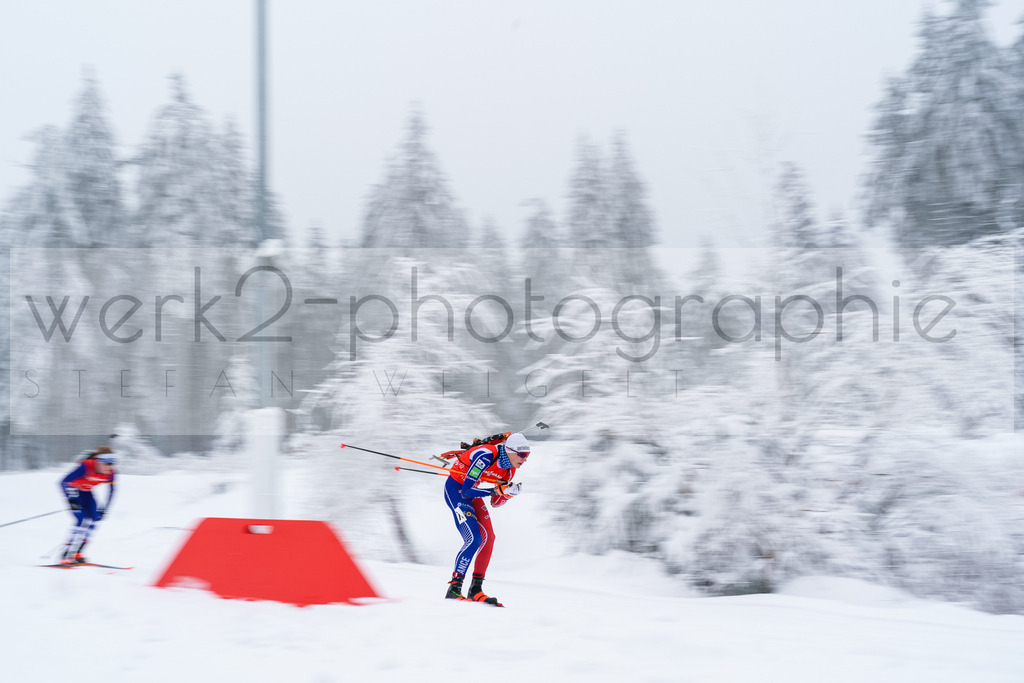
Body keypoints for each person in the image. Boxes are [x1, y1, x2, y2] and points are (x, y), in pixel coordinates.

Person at [443, 432, 531, 606]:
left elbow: (495, 502)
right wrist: (498, 490)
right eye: (522, 454)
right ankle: (454, 588)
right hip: (456, 492)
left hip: (473, 495)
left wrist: (508, 494)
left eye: (527, 455)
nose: (525, 459)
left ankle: (475, 589)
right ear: (510, 451)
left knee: (489, 538)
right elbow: (467, 490)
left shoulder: (509, 470)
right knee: (473, 539)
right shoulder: (485, 455)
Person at [58, 445, 117, 565]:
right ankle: (66, 553)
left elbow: (112, 491)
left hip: (87, 493)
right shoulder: (86, 466)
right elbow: (63, 482)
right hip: (74, 493)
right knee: (80, 520)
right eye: (107, 463)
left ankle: (79, 553)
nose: (110, 467)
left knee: (94, 520)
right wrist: (72, 501)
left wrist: (105, 508)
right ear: (98, 461)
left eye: (113, 463)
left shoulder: (111, 473)